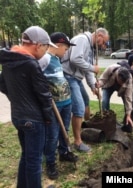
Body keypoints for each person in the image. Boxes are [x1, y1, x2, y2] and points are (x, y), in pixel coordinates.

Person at [0, 26, 56, 188]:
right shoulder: (31, 64)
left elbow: (2, 84)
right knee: (35, 161)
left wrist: (17, 98)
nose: (46, 52)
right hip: (34, 120)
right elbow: (44, 95)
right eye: (46, 47)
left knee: (26, 156)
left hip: (18, 116)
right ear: (38, 45)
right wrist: (47, 117)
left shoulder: (10, 60)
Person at [61, 28, 109, 152]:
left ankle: (83, 130)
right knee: (79, 108)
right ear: (99, 35)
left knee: (85, 101)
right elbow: (75, 59)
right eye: (104, 42)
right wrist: (93, 67)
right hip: (68, 76)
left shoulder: (91, 48)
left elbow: (88, 70)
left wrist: (93, 86)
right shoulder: (82, 39)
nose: (103, 46)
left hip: (76, 78)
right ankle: (77, 141)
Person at [38, 32, 78, 180]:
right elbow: (36, 76)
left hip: (66, 103)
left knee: (64, 130)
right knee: (52, 135)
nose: (66, 52)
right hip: (54, 106)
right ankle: (50, 163)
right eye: (66, 49)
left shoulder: (56, 59)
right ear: (59, 45)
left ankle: (64, 153)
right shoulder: (45, 58)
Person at [95, 63, 133, 130]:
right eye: (121, 81)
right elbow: (102, 80)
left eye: (123, 82)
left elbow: (128, 97)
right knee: (105, 101)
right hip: (108, 86)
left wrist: (128, 114)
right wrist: (99, 84)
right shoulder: (110, 69)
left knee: (127, 104)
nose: (122, 83)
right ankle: (106, 121)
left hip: (122, 89)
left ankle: (126, 122)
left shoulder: (129, 78)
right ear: (117, 75)